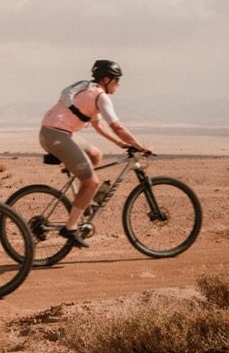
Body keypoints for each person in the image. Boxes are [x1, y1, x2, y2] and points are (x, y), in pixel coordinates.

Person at [38, 60, 151, 248]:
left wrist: (120, 143)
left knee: (96, 155)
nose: (118, 85)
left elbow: (98, 125)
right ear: (106, 80)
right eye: (116, 80)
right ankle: (70, 228)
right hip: (56, 136)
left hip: (57, 133)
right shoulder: (100, 96)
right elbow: (117, 127)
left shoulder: (90, 92)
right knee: (92, 183)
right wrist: (139, 146)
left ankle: (83, 200)